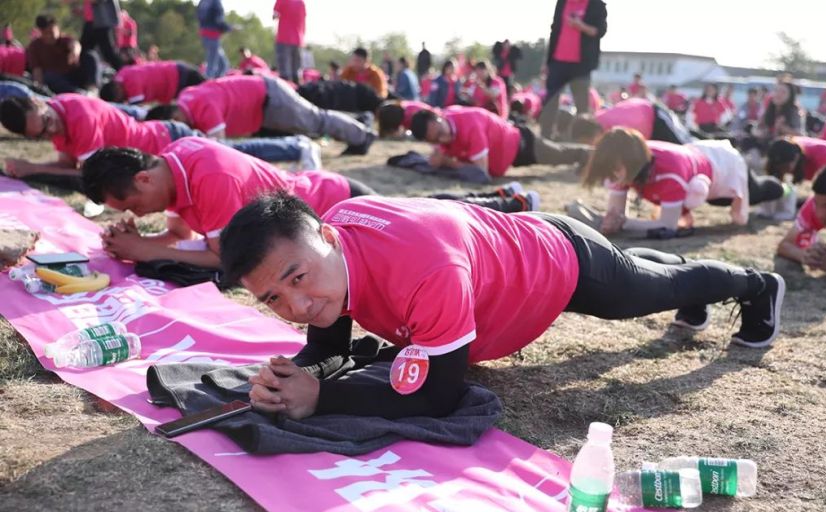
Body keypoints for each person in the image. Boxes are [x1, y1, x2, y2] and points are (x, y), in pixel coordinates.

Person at [217, 192, 786, 419]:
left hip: (561, 262)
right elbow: (327, 337)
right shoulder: (330, 244)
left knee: (652, 293)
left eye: (297, 278)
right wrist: (302, 370)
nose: (296, 304)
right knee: (650, 279)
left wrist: (321, 396)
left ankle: (757, 285)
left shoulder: (425, 270)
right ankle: (647, 265)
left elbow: (441, 392)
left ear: (329, 238)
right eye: (272, 299)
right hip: (507, 246)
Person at [82, 138, 541, 267]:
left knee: (429, 213)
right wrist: (141, 239)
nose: (133, 212)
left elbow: (225, 260)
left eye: (130, 204)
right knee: (424, 206)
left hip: (334, 203)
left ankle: (509, 203)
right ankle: (505, 200)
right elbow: (182, 236)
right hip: (319, 203)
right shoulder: (173, 170)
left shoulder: (210, 175)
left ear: (143, 178)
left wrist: (145, 249)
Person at [0, 94, 318, 179]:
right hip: (160, 146)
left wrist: (31, 167)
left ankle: (296, 145)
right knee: (235, 155)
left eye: (46, 121)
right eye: (41, 134)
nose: (49, 130)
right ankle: (293, 147)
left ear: (40, 102)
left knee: (234, 155)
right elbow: (67, 161)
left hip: (167, 140)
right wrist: (33, 167)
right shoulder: (56, 119)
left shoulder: (79, 115)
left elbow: (80, 172)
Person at [581, 128, 785, 236]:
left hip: (724, 168)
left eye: (614, 170)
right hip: (697, 159)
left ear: (631, 161)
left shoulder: (669, 174)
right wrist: (612, 220)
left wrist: (624, 223)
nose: (612, 177)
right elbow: (616, 214)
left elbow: (668, 225)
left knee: (759, 191)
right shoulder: (622, 165)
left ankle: (785, 190)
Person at [149, 75, 375, 155]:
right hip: (263, 100)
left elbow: (219, 147)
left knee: (316, 121)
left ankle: (363, 134)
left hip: (270, 98)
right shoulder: (186, 98)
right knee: (314, 122)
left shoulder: (204, 108)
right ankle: (359, 127)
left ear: (174, 118)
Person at [410, 106, 592, 178]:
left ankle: (589, 154)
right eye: (435, 140)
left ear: (438, 118)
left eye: (441, 133)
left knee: (560, 154)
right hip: (507, 152)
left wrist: (447, 162)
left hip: (522, 145)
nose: (443, 141)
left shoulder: (471, 125)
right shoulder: (444, 127)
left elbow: (481, 173)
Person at [540, 0, 608, 138]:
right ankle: (545, 137)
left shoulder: (597, 5)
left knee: (582, 105)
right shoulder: (562, 2)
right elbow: (554, 30)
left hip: (581, 64)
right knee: (550, 101)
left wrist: (580, 26)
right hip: (558, 60)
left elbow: (600, 31)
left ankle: (582, 139)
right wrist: (548, 61)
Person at [569, 97, 693, 146]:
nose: (590, 145)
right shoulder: (597, 121)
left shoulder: (614, 130)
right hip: (646, 126)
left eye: (588, 141)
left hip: (656, 117)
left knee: (685, 146)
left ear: (594, 132)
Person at [26, 14, 101, 94]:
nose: (49, 36)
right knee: (48, 77)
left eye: (51, 32)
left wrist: (74, 52)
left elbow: (74, 44)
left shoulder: (63, 40)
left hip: (74, 75)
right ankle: (78, 93)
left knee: (90, 56)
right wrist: (39, 88)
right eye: (45, 33)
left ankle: (92, 89)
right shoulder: (35, 46)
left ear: (57, 29)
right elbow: (37, 70)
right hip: (57, 81)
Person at [99, 61, 206, 105]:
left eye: (119, 99)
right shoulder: (122, 74)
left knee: (207, 93)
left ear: (117, 89)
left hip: (179, 80)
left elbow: (135, 109)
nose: (123, 101)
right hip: (176, 71)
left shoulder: (132, 85)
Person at [78, 0, 123, 70]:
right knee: (83, 52)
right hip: (92, 23)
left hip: (103, 24)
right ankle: (84, 75)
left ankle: (124, 73)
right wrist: (82, 10)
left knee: (108, 53)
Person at [197, 0, 231, 78]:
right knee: (211, 67)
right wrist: (229, 28)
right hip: (213, 35)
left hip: (205, 35)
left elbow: (199, 17)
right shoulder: (215, 2)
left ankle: (214, 84)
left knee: (223, 64)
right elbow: (218, 20)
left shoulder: (202, 1)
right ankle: (207, 84)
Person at [273, 0, 306, 83]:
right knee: (296, 70)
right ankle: (298, 91)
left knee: (284, 71)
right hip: (298, 39)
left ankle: (284, 92)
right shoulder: (301, 2)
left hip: (284, 37)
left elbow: (275, 15)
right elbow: (303, 20)